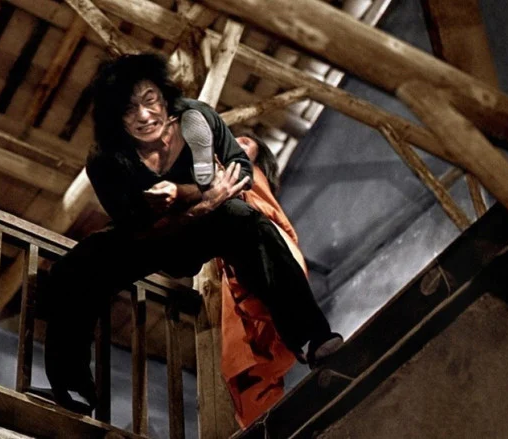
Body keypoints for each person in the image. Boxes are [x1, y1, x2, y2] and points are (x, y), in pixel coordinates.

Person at [38, 53, 342, 415]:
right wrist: (204, 199)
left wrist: (189, 195)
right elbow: (139, 231)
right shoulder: (105, 160)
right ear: (115, 118)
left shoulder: (198, 116)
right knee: (76, 267)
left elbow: (240, 169)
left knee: (248, 220)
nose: (144, 115)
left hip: (208, 226)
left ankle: (311, 338)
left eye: (150, 100)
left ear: (164, 96)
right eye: (129, 110)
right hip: (153, 238)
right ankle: (74, 389)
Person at [218, 132, 309, 428]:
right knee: (252, 371)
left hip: (266, 256)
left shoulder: (249, 176)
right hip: (244, 276)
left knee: (262, 356)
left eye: (245, 142)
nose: (235, 143)